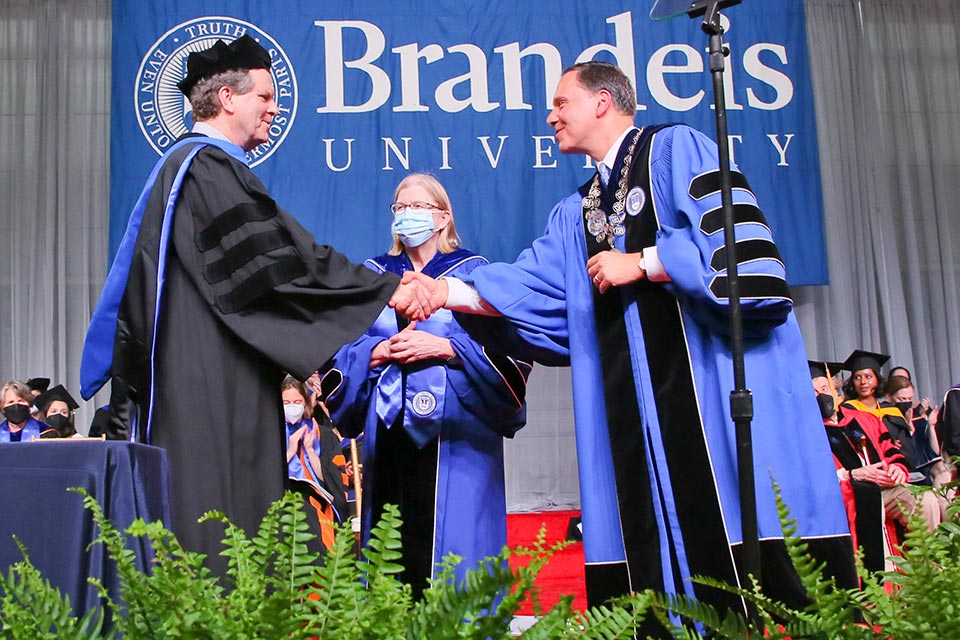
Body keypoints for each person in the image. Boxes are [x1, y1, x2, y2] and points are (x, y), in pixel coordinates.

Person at [390, 62, 854, 619]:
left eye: (562, 103)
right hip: (632, 418)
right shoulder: (577, 212)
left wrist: (646, 260)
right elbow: (533, 287)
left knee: (745, 541)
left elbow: (734, 251)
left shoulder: (674, 150)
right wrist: (445, 293)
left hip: (708, 396)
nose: (551, 115)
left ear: (603, 102)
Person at [79, 35, 404, 573]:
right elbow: (281, 266)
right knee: (219, 524)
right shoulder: (208, 169)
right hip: (209, 387)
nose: (275, 109)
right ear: (228, 97)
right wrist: (384, 293)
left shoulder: (193, 169)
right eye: (266, 97)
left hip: (212, 373)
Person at [322, 173, 532, 598]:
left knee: (458, 553)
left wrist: (445, 347)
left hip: (458, 433)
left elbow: (511, 349)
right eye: (399, 208)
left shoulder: (474, 275)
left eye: (416, 207)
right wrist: (377, 354)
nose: (406, 215)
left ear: (442, 217)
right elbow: (339, 348)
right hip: (390, 431)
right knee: (391, 550)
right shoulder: (371, 277)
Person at [281, 375, 349, 551]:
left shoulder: (323, 434)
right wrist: (290, 451)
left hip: (316, 502)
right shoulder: (273, 432)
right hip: (282, 500)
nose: (292, 407)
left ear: (305, 402)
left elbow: (329, 480)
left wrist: (310, 450)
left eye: (297, 401)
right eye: (286, 403)